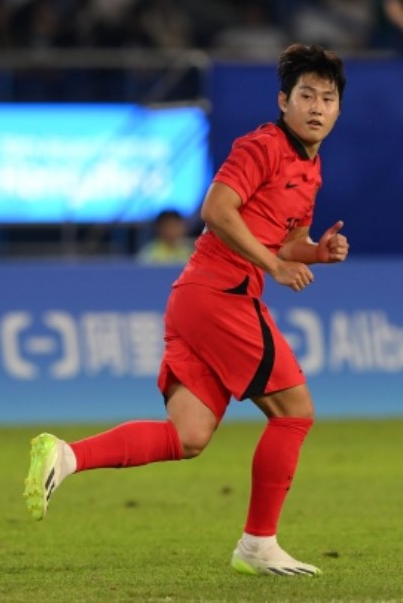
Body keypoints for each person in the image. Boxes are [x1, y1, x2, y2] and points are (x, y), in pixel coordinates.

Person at [24, 44, 350, 576]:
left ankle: (67, 456)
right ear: (283, 101)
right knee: (296, 412)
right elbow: (217, 210)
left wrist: (315, 252)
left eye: (328, 98)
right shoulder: (261, 145)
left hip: (196, 300)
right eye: (306, 95)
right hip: (222, 295)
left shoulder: (310, 169)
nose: (317, 106)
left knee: (189, 435)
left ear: (338, 110)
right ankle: (257, 545)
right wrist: (272, 265)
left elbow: (288, 240)